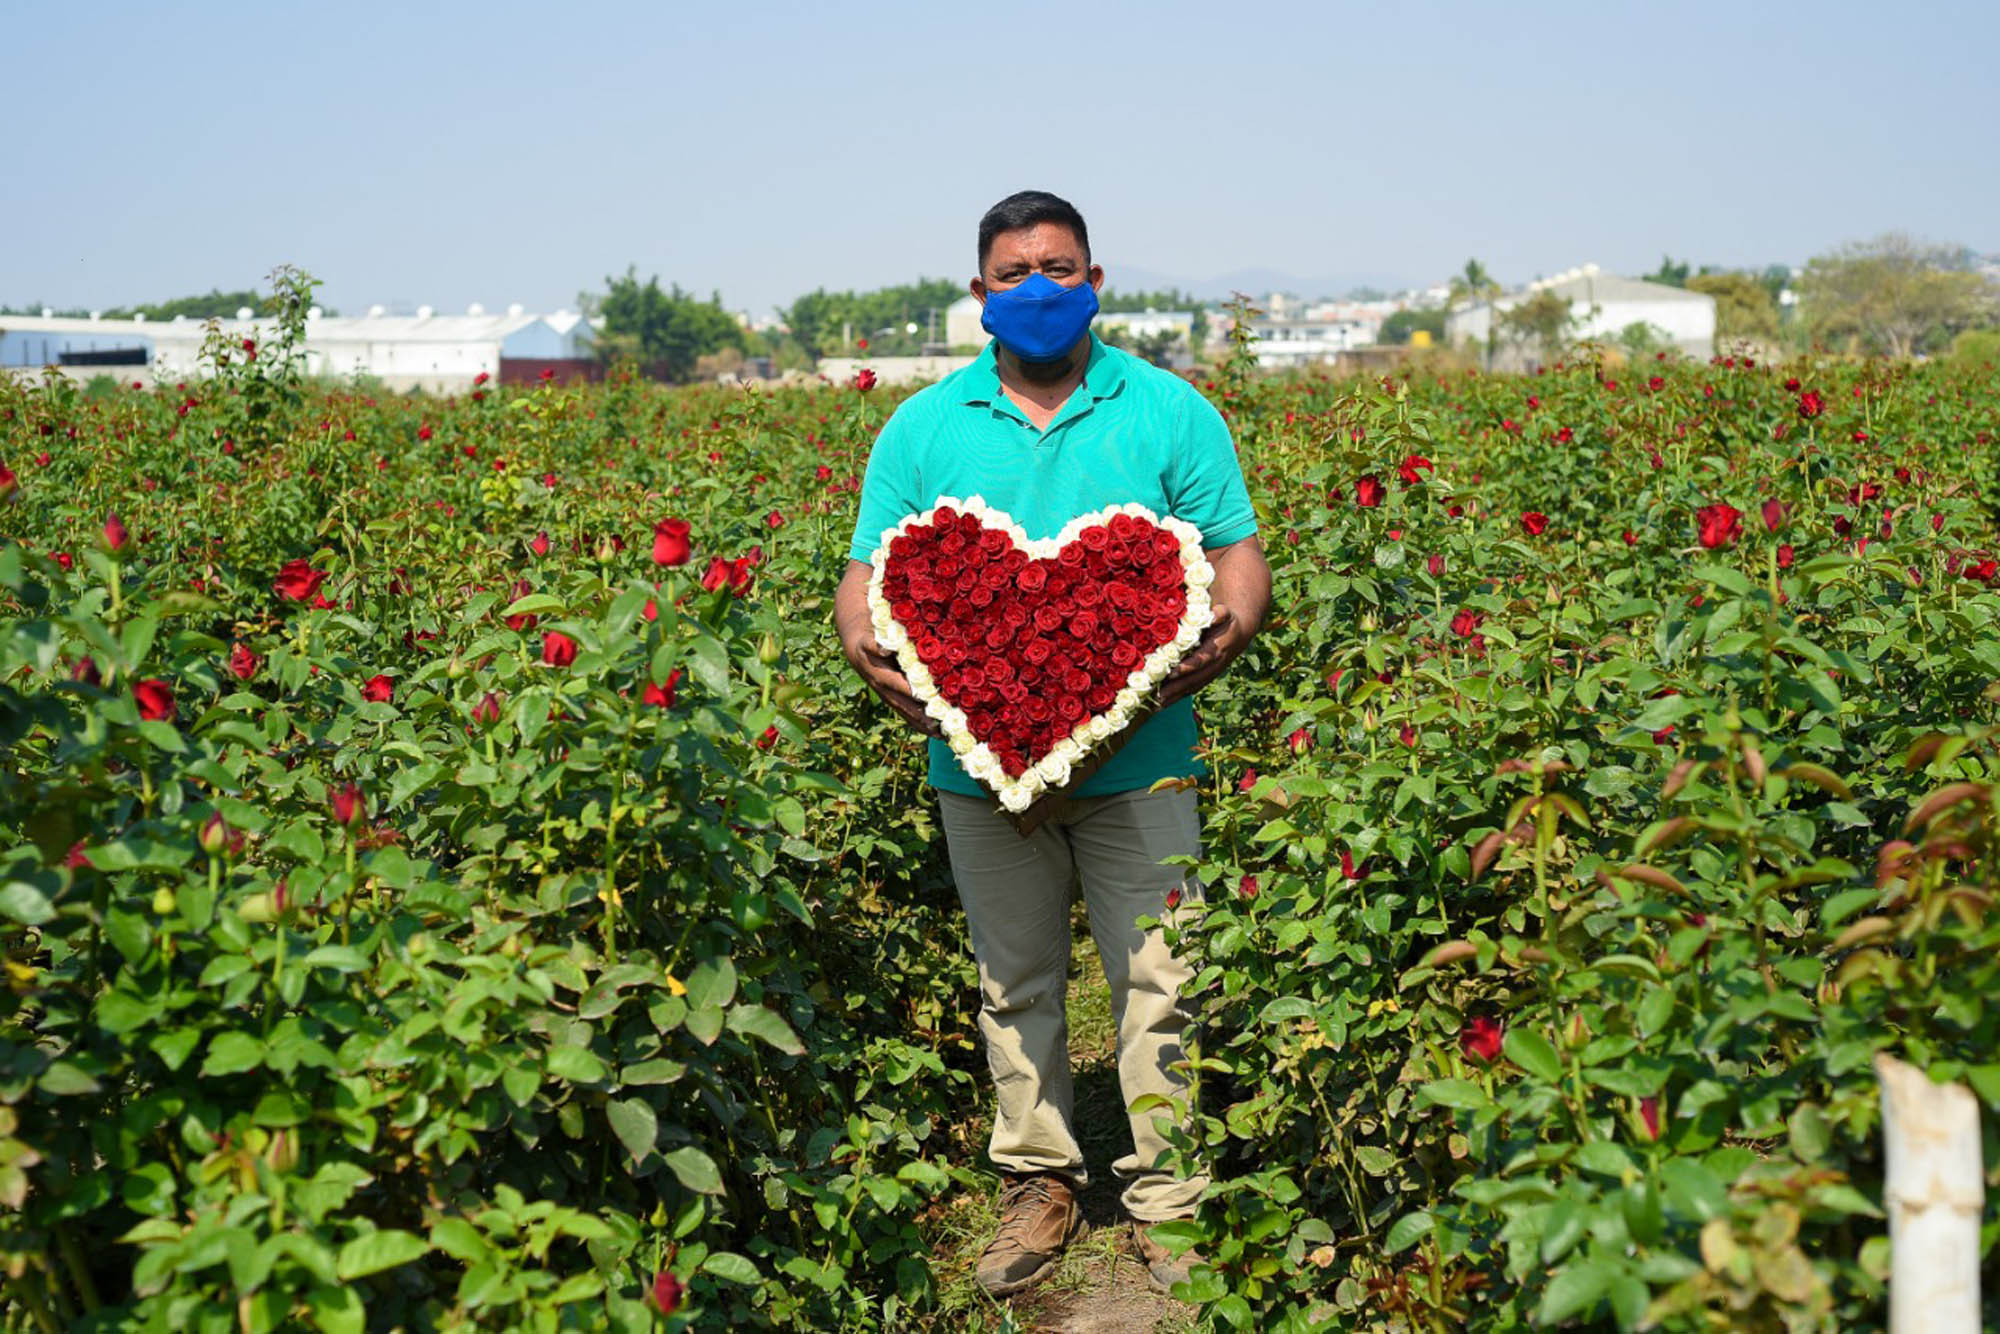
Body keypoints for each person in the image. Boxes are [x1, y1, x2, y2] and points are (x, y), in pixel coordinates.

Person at [832, 190, 1270, 1298]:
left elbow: (1235, 561)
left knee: (1159, 974)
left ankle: (1166, 1193)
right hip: (976, 764)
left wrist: (1202, 645)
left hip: (1145, 753)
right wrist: (878, 653)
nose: (1039, 288)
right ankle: (1038, 1181)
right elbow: (863, 585)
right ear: (979, 294)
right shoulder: (921, 428)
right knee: (1015, 975)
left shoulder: (1169, 411)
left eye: (1060, 268)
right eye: (1016, 271)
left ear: (1095, 282)